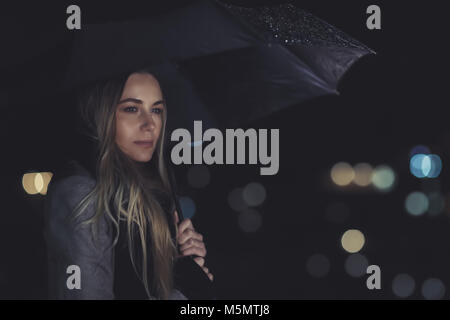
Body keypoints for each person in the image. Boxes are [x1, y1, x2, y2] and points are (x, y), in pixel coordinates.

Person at [43, 70, 213, 300]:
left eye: (156, 110)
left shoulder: (153, 195)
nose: (149, 124)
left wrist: (181, 262)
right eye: (132, 109)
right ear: (101, 113)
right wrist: (185, 291)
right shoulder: (81, 193)